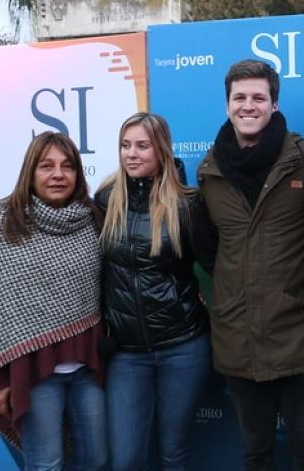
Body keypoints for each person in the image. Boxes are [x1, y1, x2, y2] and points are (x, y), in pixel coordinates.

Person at [197, 59, 304, 471]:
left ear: (274, 104)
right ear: (227, 105)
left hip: (300, 336)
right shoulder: (210, 170)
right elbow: (208, 250)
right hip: (239, 339)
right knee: (256, 453)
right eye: (240, 97)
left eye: (259, 97)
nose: (248, 106)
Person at [0, 132, 106, 469]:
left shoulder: (91, 219)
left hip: (86, 368)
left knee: (95, 458)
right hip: (33, 374)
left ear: (78, 173)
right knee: (46, 463)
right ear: (30, 172)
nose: (58, 175)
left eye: (67, 166)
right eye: (46, 166)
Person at [96, 112, 214, 471]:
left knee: (173, 452)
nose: (131, 153)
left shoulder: (187, 204)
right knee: (126, 458)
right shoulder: (104, 200)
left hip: (183, 347)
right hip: (126, 354)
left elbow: (216, 267)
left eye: (142, 146)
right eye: (125, 145)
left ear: (161, 150)